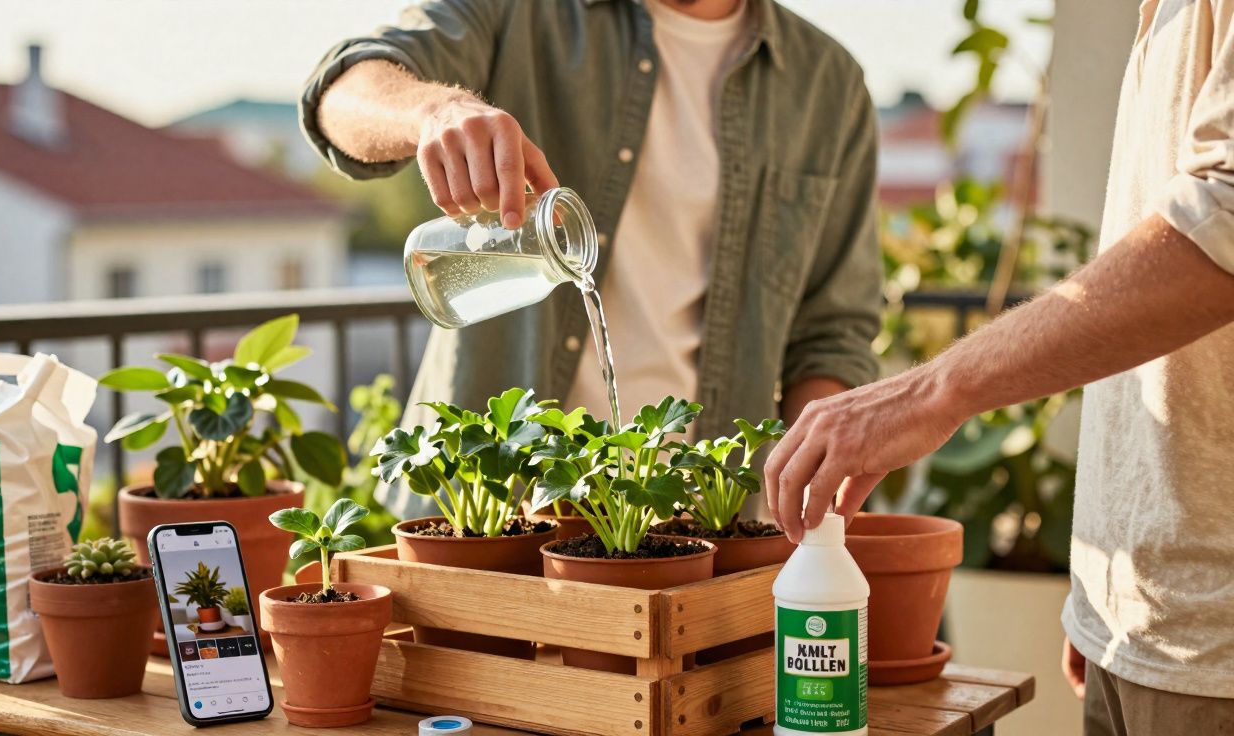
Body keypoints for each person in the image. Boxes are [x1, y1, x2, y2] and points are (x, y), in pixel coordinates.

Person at [765, 2, 1234, 732]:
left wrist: (932, 390)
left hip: (1214, 642)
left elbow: (1224, 224)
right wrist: (1102, 585)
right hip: (1145, 620)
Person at [301, 0, 883, 519]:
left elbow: (833, 332)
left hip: (701, 528)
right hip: (485, 522)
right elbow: (340, 93)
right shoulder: (523, 13)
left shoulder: (827, 85)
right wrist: (434, 112)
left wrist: (810, 510)